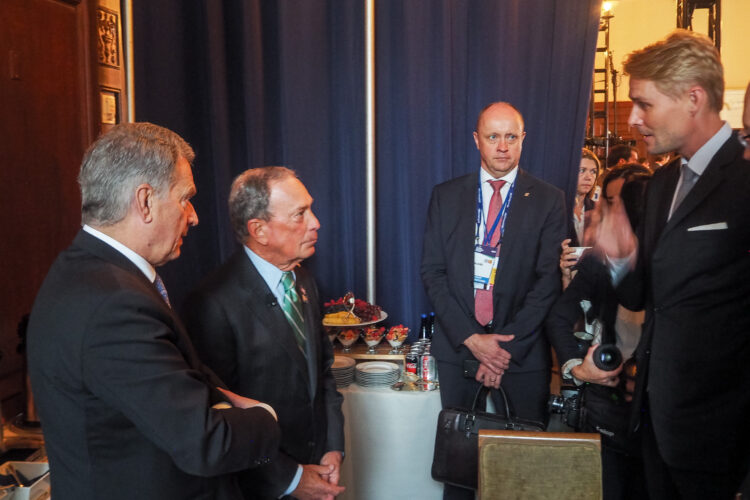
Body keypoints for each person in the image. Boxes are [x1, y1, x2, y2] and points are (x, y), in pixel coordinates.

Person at [26, 123, 282, 500]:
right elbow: (204, 443)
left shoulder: (85, 271)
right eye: (185, 198)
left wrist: (216, 401)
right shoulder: (114, 302)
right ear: (144, 201)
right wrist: (266, 417)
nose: (193, 216)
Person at [593, 30, 750, 499]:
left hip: (723, 438)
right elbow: (642, 297)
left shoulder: (744, 181)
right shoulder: (662, 184)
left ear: (693, 98)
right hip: (653, 424)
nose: (635, 119)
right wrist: (621, 257)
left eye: (645, 104)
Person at [421, 102, 566, 499]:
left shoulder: (550, 199)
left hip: (521, 352)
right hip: (458, 347)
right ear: (476, 141)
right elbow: (432, 273)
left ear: (523, 140)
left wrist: (503, 350)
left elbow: (547, 281)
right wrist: (472, 339)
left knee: (521, 471)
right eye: (492, 136)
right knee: (461, 468)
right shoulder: (445, 196)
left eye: (511, 136)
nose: (502, 146)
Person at [183, 167, 345, 500]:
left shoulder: (305, 281)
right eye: (300, 214)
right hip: (258, 486)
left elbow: (324, 374)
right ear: (259, 230)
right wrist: (291, 479)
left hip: (318, 467)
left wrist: (332, 448)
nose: (315, 223)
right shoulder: (212, 303)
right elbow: (219, 416)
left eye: (310, 209)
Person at [547, 164, 651, 500]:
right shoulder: (597, 260)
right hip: (606, 410)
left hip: (662, 418)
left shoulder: (671, 260)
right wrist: (577, 368)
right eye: (608, 202)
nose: (611, 214)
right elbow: (558, 317)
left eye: (622, 204)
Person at [569, 148, 601, 247]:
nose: (589, 177)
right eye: (582, 170)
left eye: (593, 172)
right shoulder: (558, 207)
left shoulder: (597, 209)